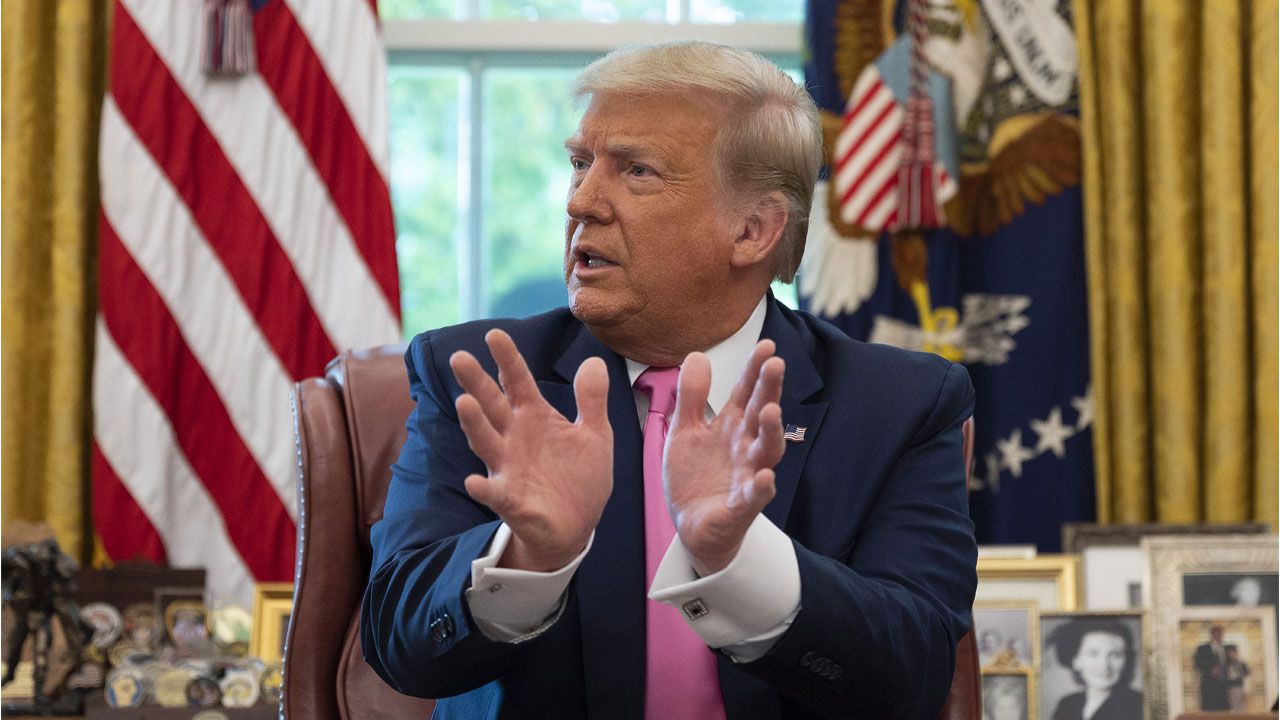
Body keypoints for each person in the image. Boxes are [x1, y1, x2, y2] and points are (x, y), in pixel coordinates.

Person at [360, 41, 978, 720]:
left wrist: (738, 562)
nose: (582, 202)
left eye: (637, 172)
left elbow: (913, 673)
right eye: (579, 163)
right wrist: (528, 556)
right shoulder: (482, 377)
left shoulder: (898, 406)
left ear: (753, 230)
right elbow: (398, 644)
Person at [1047, 619, 1142, 720]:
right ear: (1076, 660)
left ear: (1126, 661)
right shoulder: (1068, 704)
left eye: (1115, 655)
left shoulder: (1138, 704)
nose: (1104, 665)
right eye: (1093, 654)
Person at [1193, 625, 1230, 710]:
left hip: (1224, 686)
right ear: (1212, 634)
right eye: (1216, 633)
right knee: (1209, 710)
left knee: (1223, 711)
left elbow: (1229, 664)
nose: (1219, 636)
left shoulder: (1226, 648)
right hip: (1208, 686)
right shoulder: (1202, 648)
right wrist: (1210, 669)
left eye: (1220, 634)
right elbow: (1198, 663)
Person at [1225, 644, 1250, 711]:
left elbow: (1246, 678)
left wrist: (1245, 691)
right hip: (1230, 689)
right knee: (1232, 709)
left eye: (1234, 652)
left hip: (1240, 688)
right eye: (1230, 653)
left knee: (1242, 708)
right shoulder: (1226, 665)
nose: (1232, 654)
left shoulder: (1242, 664)